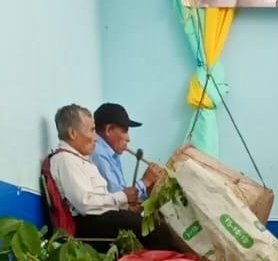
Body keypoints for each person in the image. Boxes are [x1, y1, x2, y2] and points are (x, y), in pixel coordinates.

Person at [48, 104, 184, 250]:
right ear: (72, 133)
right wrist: (124, 197)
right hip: (90, 224)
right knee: (157, 230)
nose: (95, 138)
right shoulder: (65, 159)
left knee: (156, 225)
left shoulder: (78, 159)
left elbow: (100, 199)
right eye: (92, 130)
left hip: (100, 218)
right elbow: (86, 204)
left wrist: (126, 204)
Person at [91, 101, 164, 202]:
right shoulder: (98, 153)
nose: (128, 139)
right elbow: (119, 200)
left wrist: (147, 189)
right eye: (124, 131)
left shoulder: (111, 153)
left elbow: (125, 198)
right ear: (108, 130)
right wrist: (145, 181)